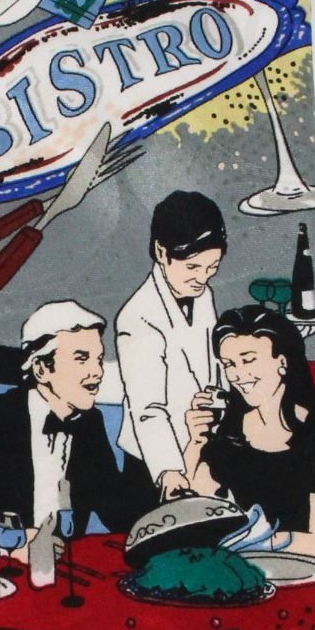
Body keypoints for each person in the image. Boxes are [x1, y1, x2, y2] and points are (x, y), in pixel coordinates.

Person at [0, 300, 156, 565]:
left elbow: (123, 516)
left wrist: (141, 427)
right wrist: (9, 543)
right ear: (42, 369)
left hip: (60, 579)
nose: (97, 372)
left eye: (98, 359)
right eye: (82, 359)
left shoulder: (88, 423)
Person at [183, 304, 315, 558]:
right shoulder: (231, 427)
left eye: (248, 360)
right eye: (229, 364)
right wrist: (195, 441)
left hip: (294, 567)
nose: (238, 374)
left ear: (282, 361)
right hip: (230, 563)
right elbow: (199, 504)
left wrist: (241, 542)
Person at [115, 190, 228, 503]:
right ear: (161, 252)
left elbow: (213, 362)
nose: (202, 278)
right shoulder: (138, 317)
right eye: (193, 267)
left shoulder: (202, 294)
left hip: (201, 447)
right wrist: (169, 472)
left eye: (212, 267)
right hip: (152, 463)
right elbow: (147, 409)